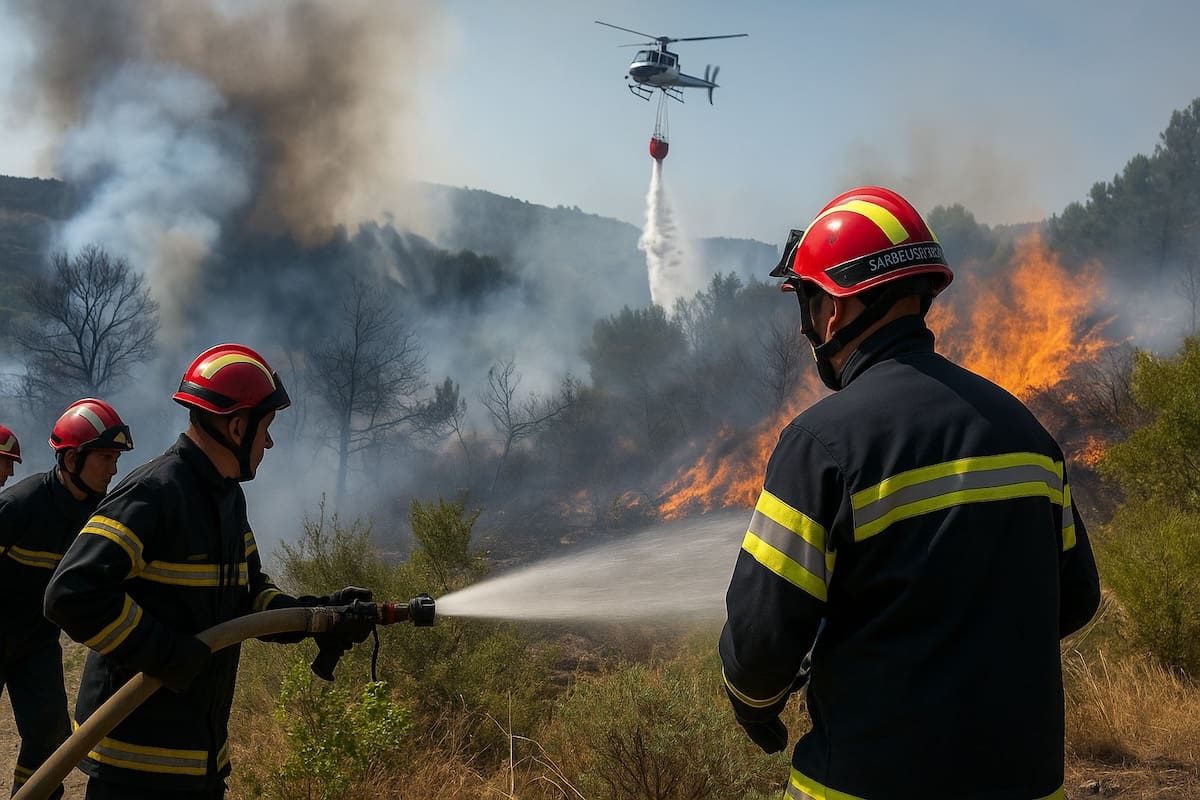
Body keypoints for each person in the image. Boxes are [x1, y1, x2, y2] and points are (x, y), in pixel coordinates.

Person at [719, 186, 1101, 800]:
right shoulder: (1026, 431)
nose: (808, 325)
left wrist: (753, 705)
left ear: (835, 311)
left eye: (810, 303)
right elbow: (1077, 596)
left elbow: (761, 645)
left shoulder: (821, 443)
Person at [45, 344, 372, 799]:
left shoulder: (226, 498)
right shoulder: (153, 495)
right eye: (266, 428)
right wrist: (170, 653)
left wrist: (316, 614)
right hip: (135, 763)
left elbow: (250, 594)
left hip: (199, 756)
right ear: (237, 426)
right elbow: (71, 594)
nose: (269, 443)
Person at [0, 400, 133, 799]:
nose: (113, 469)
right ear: (73, 458)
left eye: (116, 459)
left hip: (36, 645)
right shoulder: (17, 506)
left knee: (50, 741)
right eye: (106, 457)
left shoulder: (103, 516)